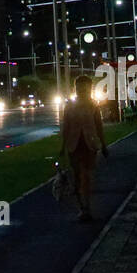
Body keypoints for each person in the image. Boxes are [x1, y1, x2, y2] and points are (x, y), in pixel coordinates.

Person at [60, 75, 110, 222]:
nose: (82, 91)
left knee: (87, 176)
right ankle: (81, 207)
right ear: (75, 89)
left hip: (89, 144)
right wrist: (63, 147)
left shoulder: (93, 105)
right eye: (79, 88)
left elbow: (99, 126)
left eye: (85, 88)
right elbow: (66, 127)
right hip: (74, 145)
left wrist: (104, 145)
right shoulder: (69, 106)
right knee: (76, 177)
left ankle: (87, 207)